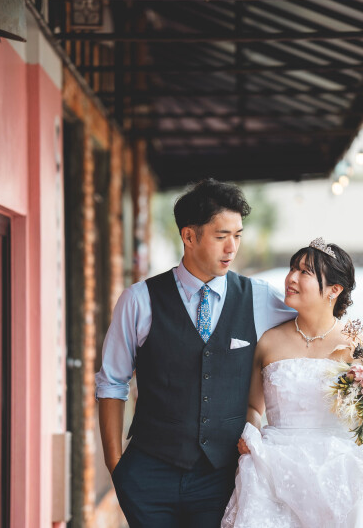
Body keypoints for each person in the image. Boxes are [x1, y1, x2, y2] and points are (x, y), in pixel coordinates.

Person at [95, 178, 296, 527]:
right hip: (148, 475)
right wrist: (117, 469)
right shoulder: (139, 300)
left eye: (238, 235)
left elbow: (313, 326)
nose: (232, 248)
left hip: (223, 478)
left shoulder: (258, 297)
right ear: (189, 236)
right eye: (221, 236)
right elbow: (112, 384)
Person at [221, 238, 363, 528]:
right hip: (275, 466)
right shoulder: (269, 341)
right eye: (292, 268)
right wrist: (250, 432)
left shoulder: (358, 344)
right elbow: (253, 408)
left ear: (334, 290)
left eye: (304, 272)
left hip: (339, 469)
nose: (291, 278)